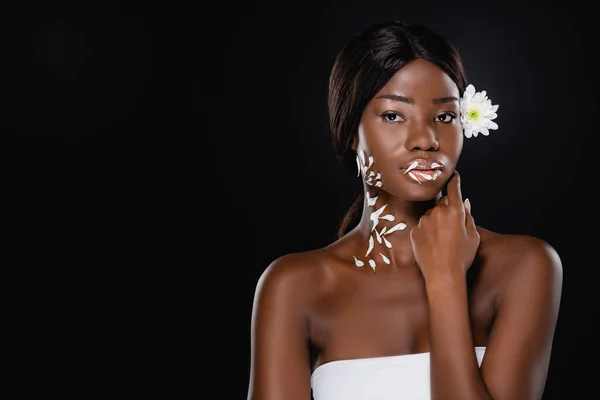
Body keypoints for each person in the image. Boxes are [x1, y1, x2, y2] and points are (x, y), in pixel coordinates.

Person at [247, 20, 563, 400]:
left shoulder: (524, 266)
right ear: (351, 133)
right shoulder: (296, 285)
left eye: (444, 117)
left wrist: (445, 279)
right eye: (394, 116)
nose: (426, 140)